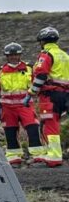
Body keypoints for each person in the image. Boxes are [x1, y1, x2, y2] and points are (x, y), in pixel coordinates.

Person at [26, 26, 69, 167]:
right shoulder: (64, 55)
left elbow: (41, 75)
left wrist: (32, 92)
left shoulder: (46, 54)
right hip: (65, 94)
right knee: (56, 122)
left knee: (49, 124)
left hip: (50, 95)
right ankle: (54, 154)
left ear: (42, 41)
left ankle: (54, 157)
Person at [0, 43, 44, 165]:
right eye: (11, 55)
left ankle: (38, 155)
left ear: (20, 55)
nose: (13, 57)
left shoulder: (29, 68)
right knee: (10, 130)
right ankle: (13, 157)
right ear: (7, 56)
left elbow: (37, 84)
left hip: (25, 105)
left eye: (16, 54)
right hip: (7, 107)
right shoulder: (0, 71)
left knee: (33, 127)